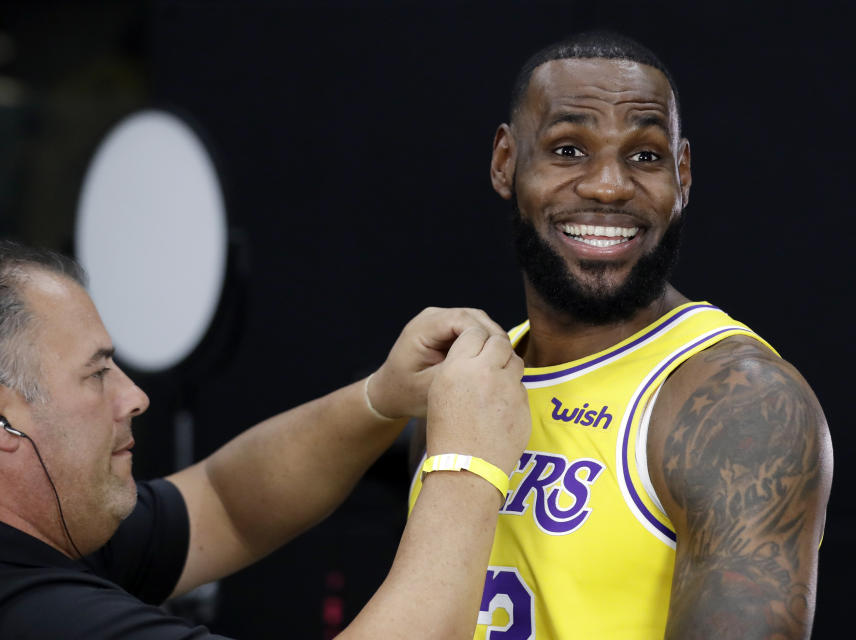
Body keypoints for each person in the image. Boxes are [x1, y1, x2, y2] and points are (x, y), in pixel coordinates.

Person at [409, 30, 833, 639]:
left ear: (682, 175)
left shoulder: (741, 404)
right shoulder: (469, 379)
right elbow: (231, 509)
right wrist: (372, 397)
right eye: (568, 150)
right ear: (506, 162)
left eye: (645, 157)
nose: (609, 185)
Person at [0, 239, 531, 639]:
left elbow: (224, 504)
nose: (134, 396)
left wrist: (380, 398)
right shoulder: (33, 611)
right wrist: (468, 466)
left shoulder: (52, 535)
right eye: (96, 375)